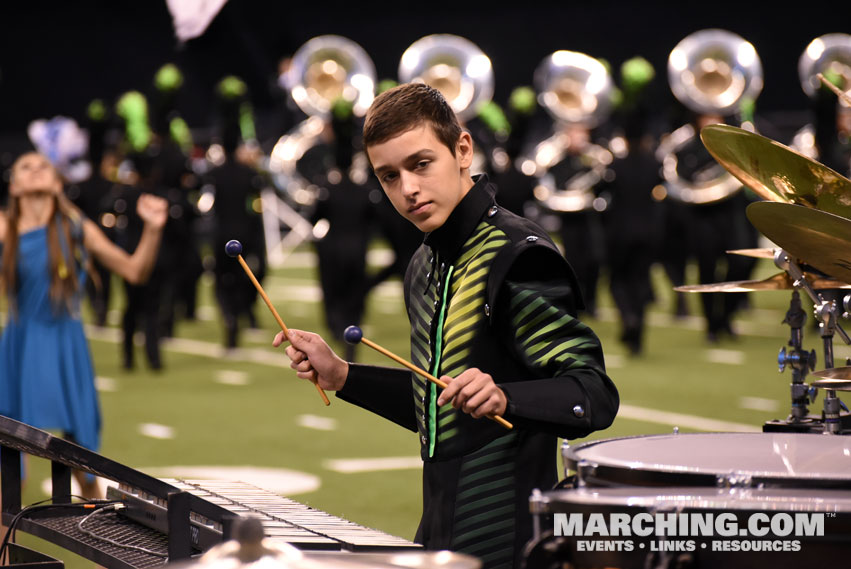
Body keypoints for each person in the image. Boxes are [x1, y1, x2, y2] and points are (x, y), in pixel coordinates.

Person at [273, 83, 619, 568]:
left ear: (461, 150)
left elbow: (594, 394)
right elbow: (437, 410)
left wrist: (506, 396)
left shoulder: (517, 256)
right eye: (388, 176)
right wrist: (343, 377)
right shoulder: (422, 265)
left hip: (509, 541)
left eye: (420, 165)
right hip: (437, 536)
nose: (407, 189)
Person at [0, 152, 167, 493]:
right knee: (9, 472)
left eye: (43, 165)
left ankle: (93, 536)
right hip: (22, 341)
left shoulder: (76, 227)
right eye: (25, 167)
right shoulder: (5, 227)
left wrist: (152, 229)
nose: (35, 170)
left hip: (67, 343)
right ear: (14, 187)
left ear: (58, 182)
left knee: (82, 461)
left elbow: (135, 271)